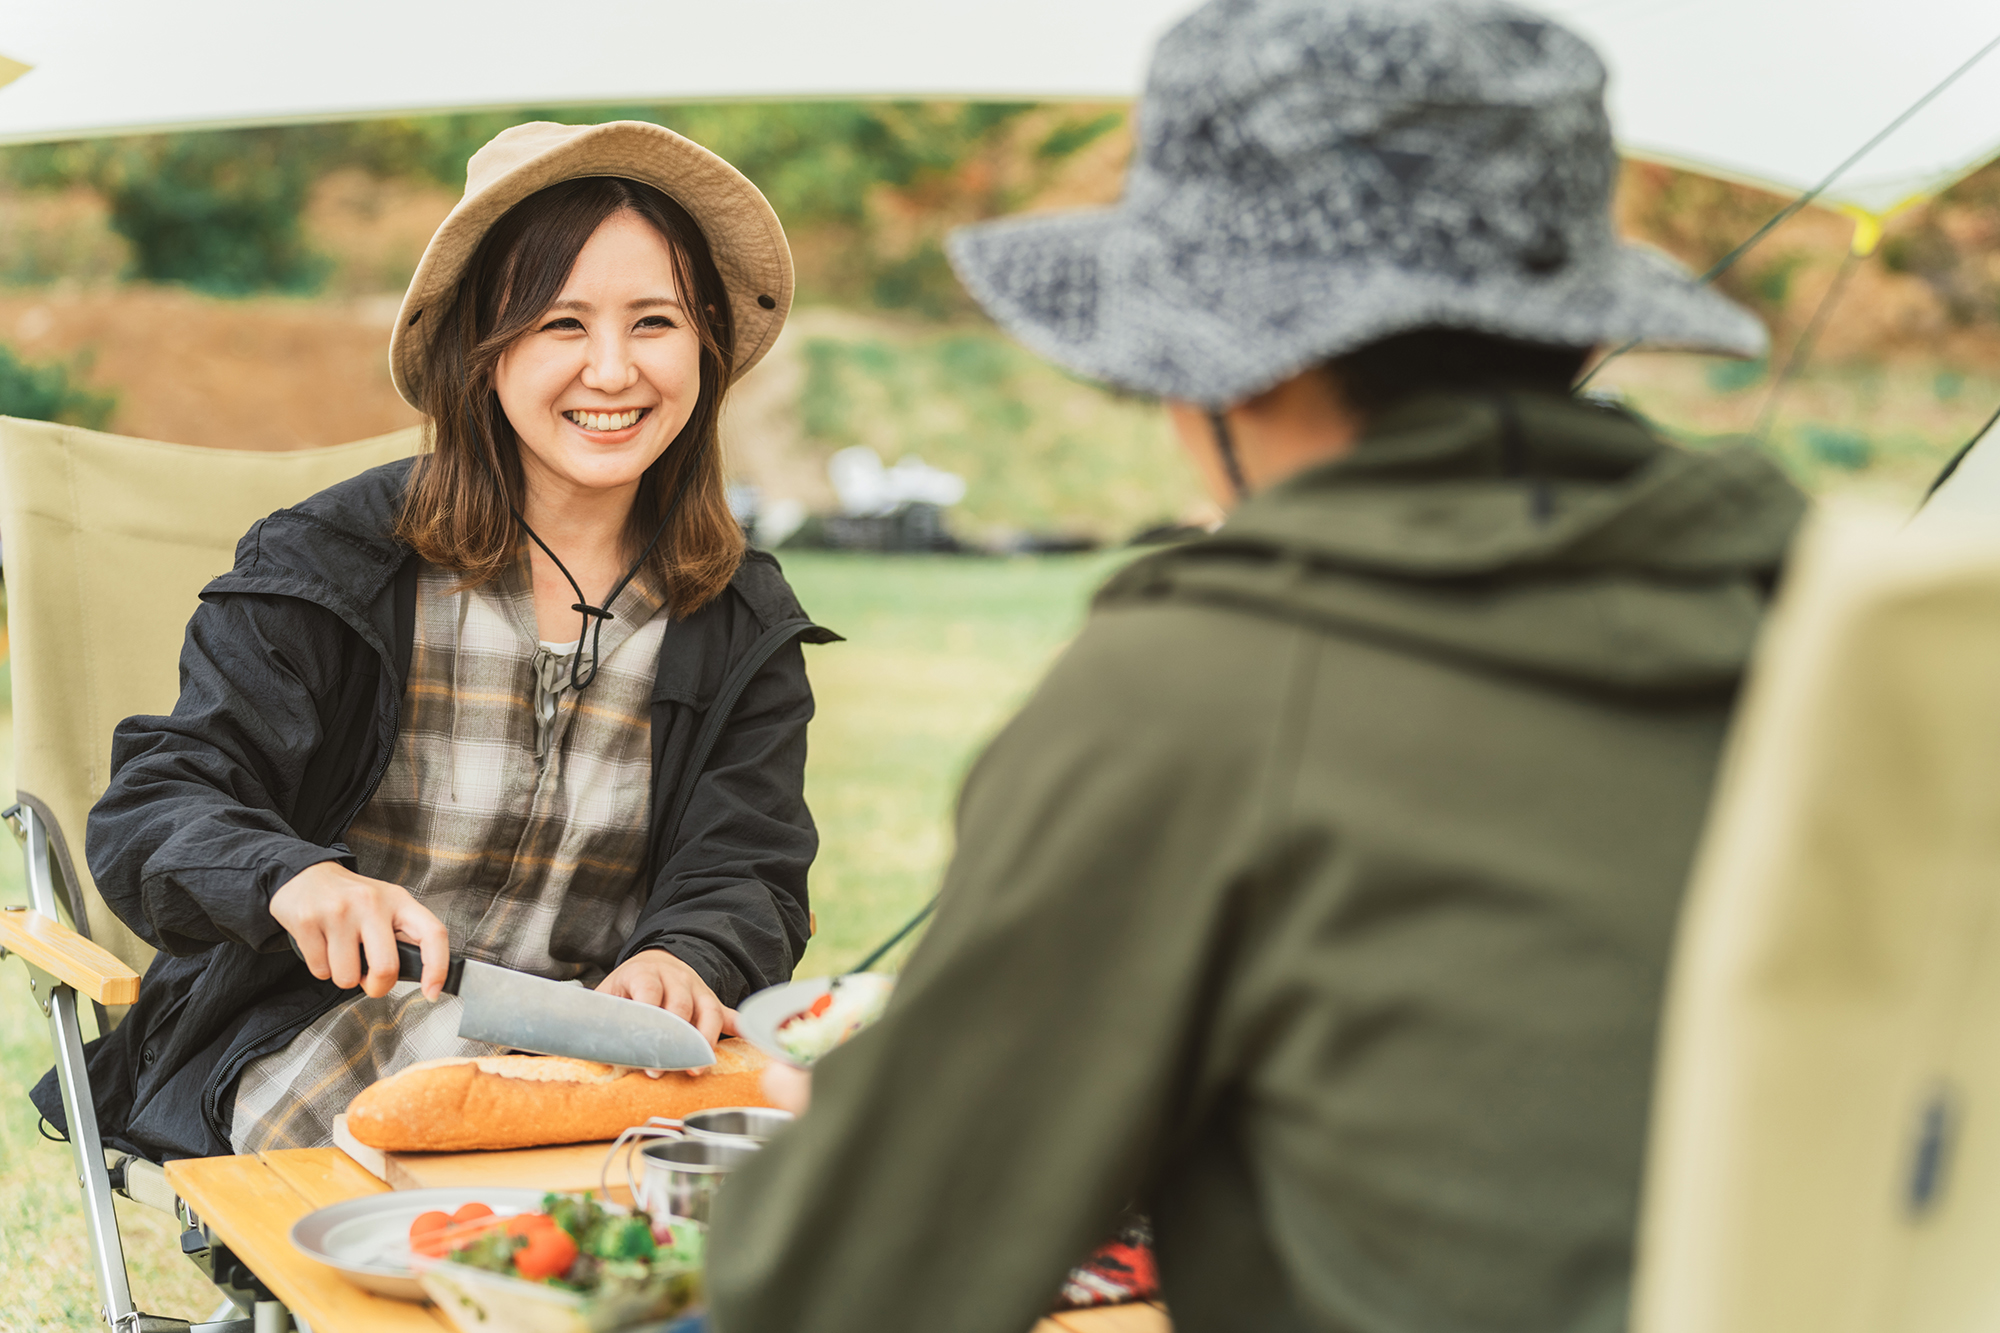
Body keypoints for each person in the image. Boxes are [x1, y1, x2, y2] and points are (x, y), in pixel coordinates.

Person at [706, 2, 1806, 1330]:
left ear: (1228, 368)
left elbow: (840, 1284)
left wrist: (874, 1129)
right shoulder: (1826, 602)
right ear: (1575, 334)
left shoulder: (1203, 685)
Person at [34, 121, 837, 1160]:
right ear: (478, 348)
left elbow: (749, 867)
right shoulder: (329, 564)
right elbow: (160, 804)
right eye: (559, 324)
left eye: (654, 321)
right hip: (322, 1034)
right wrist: (293, 877)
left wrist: (688, 953)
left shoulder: (739, 615)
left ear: (704, 346)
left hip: (599, 1056)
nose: (611, 368)